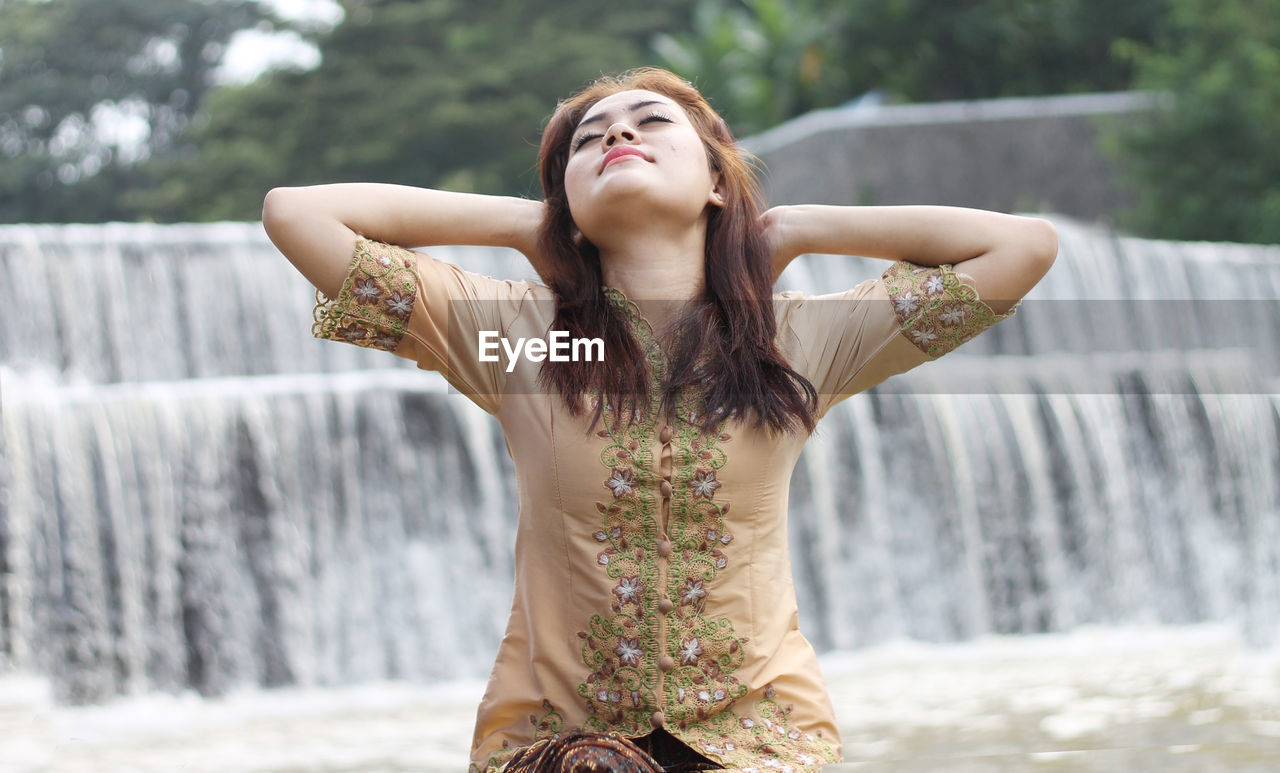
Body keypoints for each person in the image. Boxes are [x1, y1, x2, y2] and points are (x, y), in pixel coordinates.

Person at [262, 67, 1057, 772]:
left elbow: (1020, 246)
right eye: (587, 139)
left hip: (762, 745)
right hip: (558, 747)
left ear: (716, 179)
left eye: (650, 122)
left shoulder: (799, 340)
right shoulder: (517, 338)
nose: (617, 132)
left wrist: (796, 227)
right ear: (567, 205)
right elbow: (297, 214)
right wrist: (519, 224)